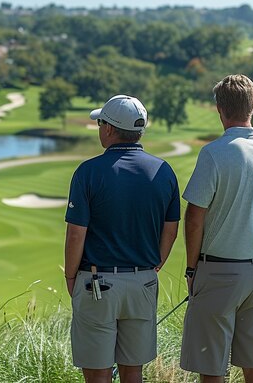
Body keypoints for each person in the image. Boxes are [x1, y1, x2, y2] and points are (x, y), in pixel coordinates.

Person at [64, 94, 180, 383]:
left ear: (109, 129)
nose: (99, 127)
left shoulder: (88, 172)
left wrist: (70, 276)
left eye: (100, 122)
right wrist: (156, 265)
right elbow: (171, 228)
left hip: (97, 284)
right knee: (133, 372)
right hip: (143, 281)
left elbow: (76, 234)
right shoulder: (163, 171)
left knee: (98, 373)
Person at [180, 74, 253, 383]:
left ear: (219, 109)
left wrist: (190, 268)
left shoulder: (214, 153)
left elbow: (195, 216)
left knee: (212, 366)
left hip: (220, 272)